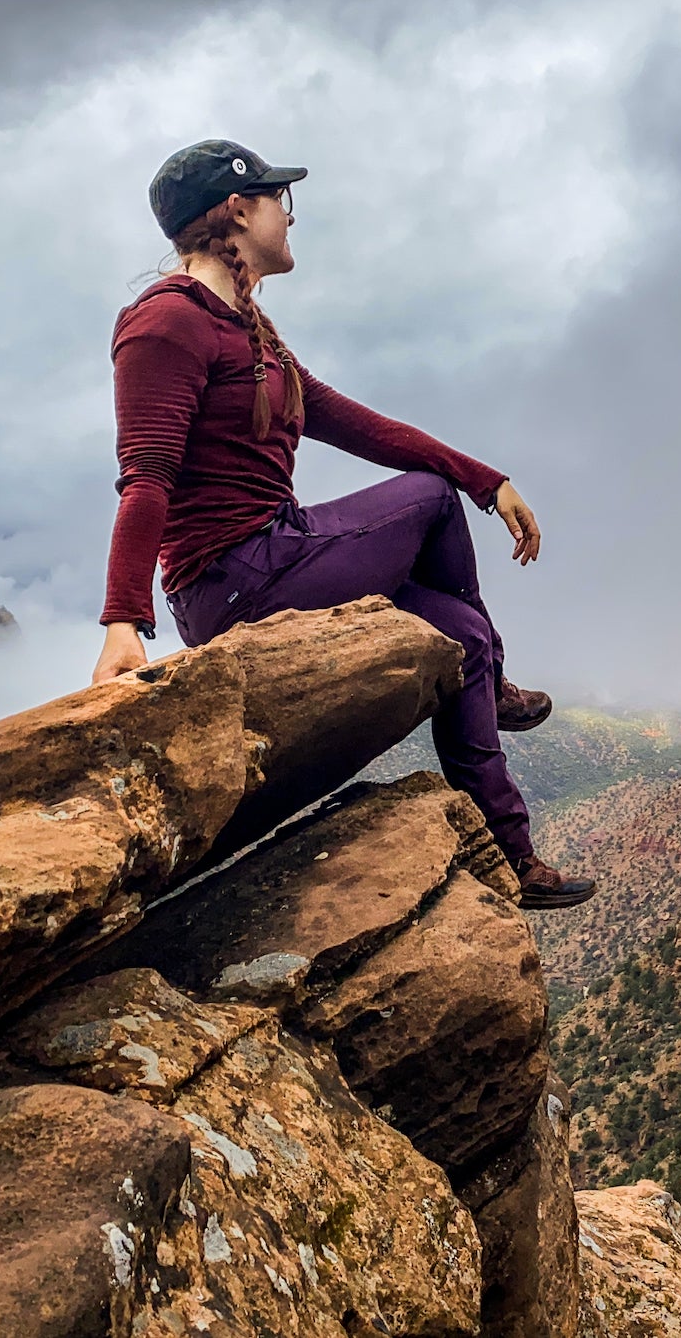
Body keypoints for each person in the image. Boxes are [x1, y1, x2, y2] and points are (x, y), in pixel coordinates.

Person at [92, 138, 596, 910]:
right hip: (232, 578)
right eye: (277, 202)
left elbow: (346, 420)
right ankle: (492, 680)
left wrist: (486, 480)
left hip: (277, 555)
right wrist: (124, 623)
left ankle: (515, 856)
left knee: (456, 633)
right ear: (236, 210)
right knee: (429, 498)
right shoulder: (166, 326)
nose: (289, 219)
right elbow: (145, 480)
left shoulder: (247, 326)